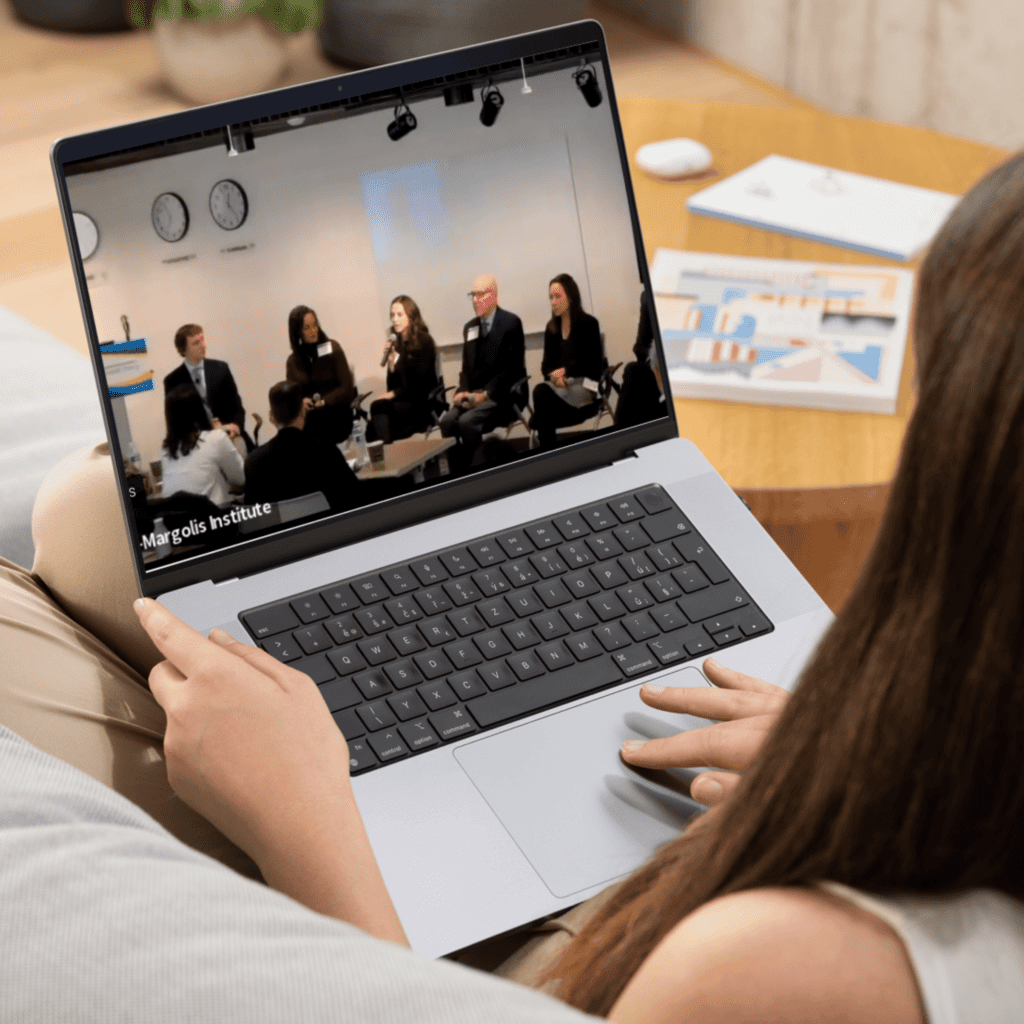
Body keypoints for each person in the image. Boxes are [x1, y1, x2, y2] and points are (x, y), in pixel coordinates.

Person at [6, 153, 1024, 1019]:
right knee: (98, 520)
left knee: (46, 589)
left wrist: (306, 821)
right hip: (759, 821)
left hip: (539, 945)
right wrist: (845, 759)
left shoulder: (789, 966)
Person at [439, 274, 526, 468]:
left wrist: (486, 394)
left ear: (493, 295)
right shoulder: (470, 327)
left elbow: (512, 370)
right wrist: (462, 392)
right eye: (473, 295)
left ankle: (479, 471)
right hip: (473, 396)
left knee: (467, 422)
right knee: (447, 422)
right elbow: (466, 369)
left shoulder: (511, 323)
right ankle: (457, 473)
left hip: (502, 396)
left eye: (481, 295)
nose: (476, 300)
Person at [244, 381, 361, 515]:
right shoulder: (325, 450)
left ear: (271, 417)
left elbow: (253, 519)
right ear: (303, 411)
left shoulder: (253, 462)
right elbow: (356, 498)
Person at [530, 274, 605, 450]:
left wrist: (564, 372)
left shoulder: (589, 324)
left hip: (587, 385)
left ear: (570, 297)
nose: (553, 302)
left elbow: (593, 365)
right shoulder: (551, 329)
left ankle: (547, 452)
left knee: (541, 409)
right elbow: (545, 366)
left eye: (557, 296)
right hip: (560, 388)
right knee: (541, 390)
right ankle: (550, 450)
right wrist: (555, 377)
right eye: (551, 297)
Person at [163, 323, 253, 452]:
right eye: (195, 343)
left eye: (202, 340)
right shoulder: (173, 381)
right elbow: (174, 423)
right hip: (198, 447)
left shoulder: (221, 368)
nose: (203, 345)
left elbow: (236, 405)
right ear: (183, 350)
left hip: (230, 437)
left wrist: (236, 427)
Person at [367, 295, 440, 444]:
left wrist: (393, 393)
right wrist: (392, 364)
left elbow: (420, 383)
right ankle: (388, 454)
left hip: (420, 402)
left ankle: (387, 456)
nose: (394, 319)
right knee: (374, 422)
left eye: (399, 315)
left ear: (411, 316)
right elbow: (391, 386)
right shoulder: (397, 344)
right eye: (392, 315)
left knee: (377, 411)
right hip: (401, 404)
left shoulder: (424, 341)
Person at [160, 383, 244, 506]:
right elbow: (240, 478)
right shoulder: (216, 438)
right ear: (200, 409)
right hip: (216, 519)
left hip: (180, 524)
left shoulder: (166, 449)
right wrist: (230, 439)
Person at [285, 305, 356, 446]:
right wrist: (302, 403)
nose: (313, 331)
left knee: (315, 426)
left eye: (315, 325)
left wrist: (323, 401)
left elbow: (346, 389)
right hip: (311, 418)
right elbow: (293, 397)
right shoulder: (293, 362)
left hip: (336, 412)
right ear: (297, 332)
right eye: (307, 328)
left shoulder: (332, 348)